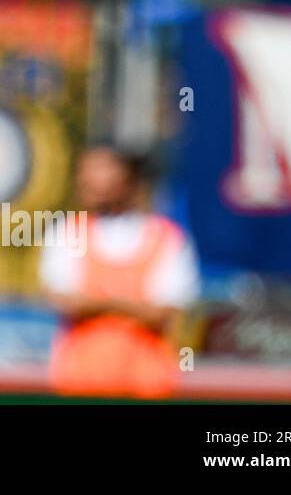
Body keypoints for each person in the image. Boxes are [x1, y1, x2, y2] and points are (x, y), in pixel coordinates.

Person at [40, 144, 200, 399]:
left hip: (148, 387)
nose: (89, 181)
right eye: (85, 172)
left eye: (102, 170)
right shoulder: (67, 232)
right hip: (79, 385)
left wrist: (98, 302)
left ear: (129, 178)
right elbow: (64, 300)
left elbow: (163, 311)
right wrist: (131, 305)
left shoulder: (168, 238)